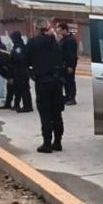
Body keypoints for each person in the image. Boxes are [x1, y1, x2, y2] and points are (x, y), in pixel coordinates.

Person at [27, 18, 65, 153]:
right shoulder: (55, 43)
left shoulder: (33, 43)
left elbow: (27, 60)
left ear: (37, 28)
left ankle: (47, 142)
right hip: (56, 82)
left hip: (42, 82)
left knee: (45, 113)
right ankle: (58, 141)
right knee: (57, 112)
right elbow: (61, 60)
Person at [9, 31, 33, 112]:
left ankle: (27, 106)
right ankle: (17, 104)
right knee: (18, 89)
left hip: (21, 70)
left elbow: (19, 58)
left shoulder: (19, 47)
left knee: (24, 88)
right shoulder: (19, 46)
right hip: (20, 70)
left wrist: (12, 58)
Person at [57, 22, 78, 105]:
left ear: (64, 30)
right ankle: (67, 97)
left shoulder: (70, 40)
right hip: (63, 64)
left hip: (69, 64)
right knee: (65, 81)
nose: (58, 31)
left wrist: (71, 66)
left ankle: (72, 98)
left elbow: (71, 54)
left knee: (70, 81)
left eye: (60, 30)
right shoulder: (63, 39)